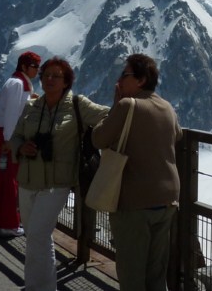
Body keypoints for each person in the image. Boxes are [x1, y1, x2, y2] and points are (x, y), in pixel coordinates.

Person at [8, 57, 108, 291]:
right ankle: (36, 285)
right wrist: (21, 148)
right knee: (36, 237)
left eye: (56, 76)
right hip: (27, 179)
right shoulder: (32, 106)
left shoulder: (77, 104)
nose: (50, 79)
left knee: (38, 235)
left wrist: (93, 140)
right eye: (46, 75)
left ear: (66, 82)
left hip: (57, 183)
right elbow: (15, 137)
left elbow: (107, 116)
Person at [91, 53, 181, 291]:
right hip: (168, 199)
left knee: (132, 275)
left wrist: (115, 105)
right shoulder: (167, 107)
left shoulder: (126, 105)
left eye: (125, 74)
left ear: (140, 80)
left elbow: (99, 138)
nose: (119, 79)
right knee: (155, 274)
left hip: (134, 202)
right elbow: (178, 135)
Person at [0, 50, 41, 237]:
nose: (37, 70)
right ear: (24, 67)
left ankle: (1, 221)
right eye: (35, 66)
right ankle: (9, 224)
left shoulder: (17, 82)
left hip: (6, 136)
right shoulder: (18, 84)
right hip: (9, 137)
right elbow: (12, 114)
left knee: (5, 179)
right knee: (10, 180)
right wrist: (9, 141)